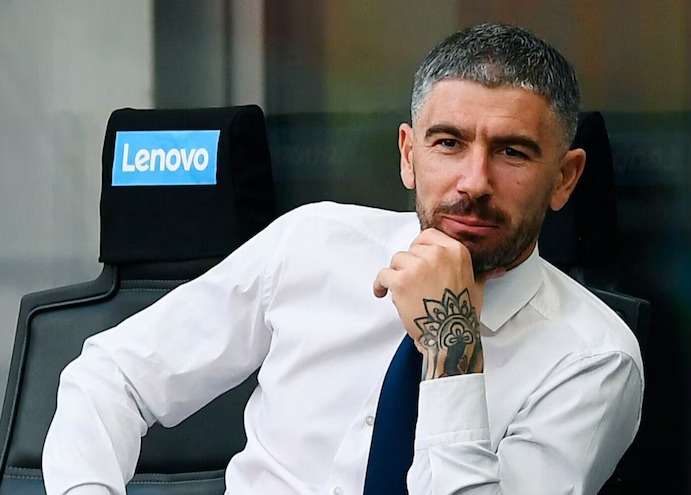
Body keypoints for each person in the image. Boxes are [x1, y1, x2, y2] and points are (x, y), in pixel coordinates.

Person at [42, 23, 643, 495]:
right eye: (448, 143)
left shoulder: (592, 358)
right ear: (408, 155)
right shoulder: (314, 243)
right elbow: (111, 376)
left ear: (564, 179)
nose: (473, 181)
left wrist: (452, 347)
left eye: (512, 152)